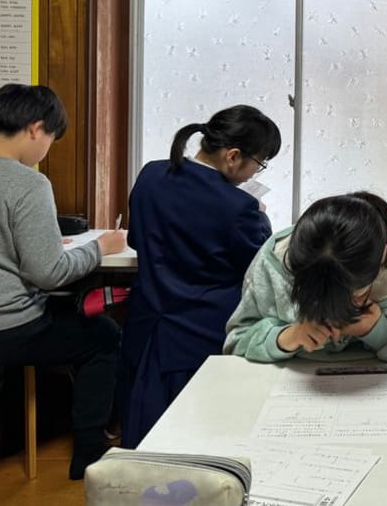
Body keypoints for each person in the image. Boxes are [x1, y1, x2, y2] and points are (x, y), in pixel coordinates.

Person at [118, 105, 281, 448]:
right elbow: (260, 266)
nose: (256, 172)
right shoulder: (239, 207)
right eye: (260, 162)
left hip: (146, 321)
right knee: (197, 433)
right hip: (203, 331)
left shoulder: (150, 175)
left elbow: (135, 240)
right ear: (233, 156)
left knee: (144, 426)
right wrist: (260, 216)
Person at [0, 84, 127, 479]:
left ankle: (12, 435)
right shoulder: (28, 183)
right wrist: (100, 247)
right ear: (35, 128)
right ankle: (89, 453)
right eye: (50, 138)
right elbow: (48, 274)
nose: (46, 149)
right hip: (5, 328)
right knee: (103, 337)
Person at [224, 191, 387, 362]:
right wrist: (285, 337)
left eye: (356, 296)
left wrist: (381, 333)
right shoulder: (275, 260)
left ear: (384, 254)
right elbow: (237, 340)